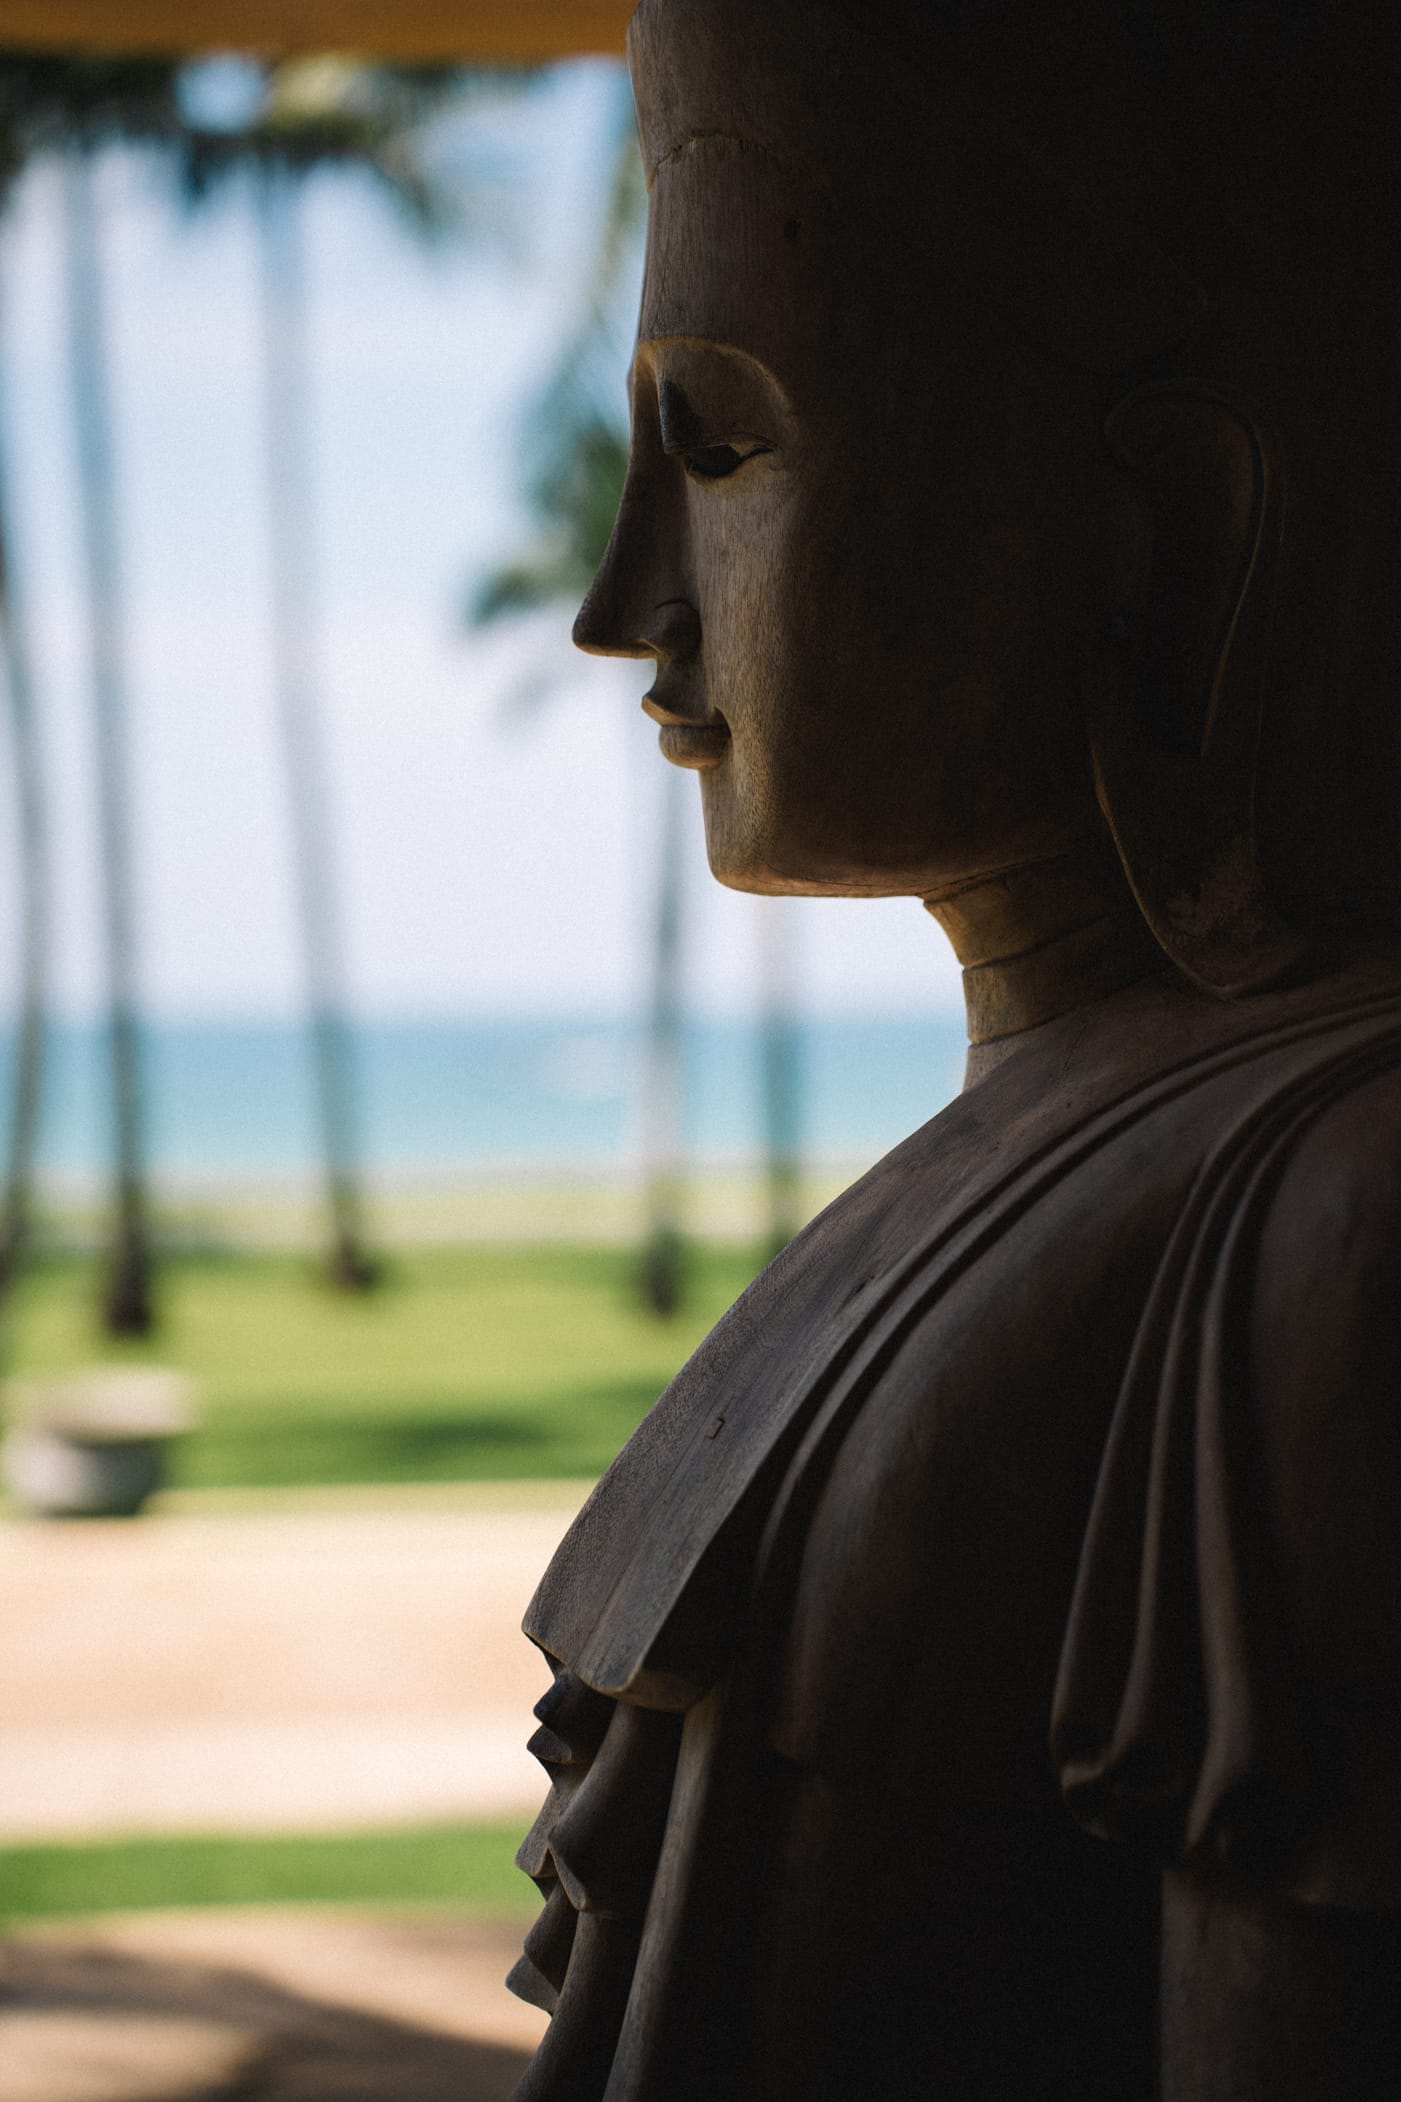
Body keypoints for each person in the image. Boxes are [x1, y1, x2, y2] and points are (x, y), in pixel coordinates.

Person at [507, 3, 1401, 2094]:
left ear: (1162, 522)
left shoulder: (1328, 1211)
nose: (625, 600)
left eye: (722, 442)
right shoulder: (1059, 1147)